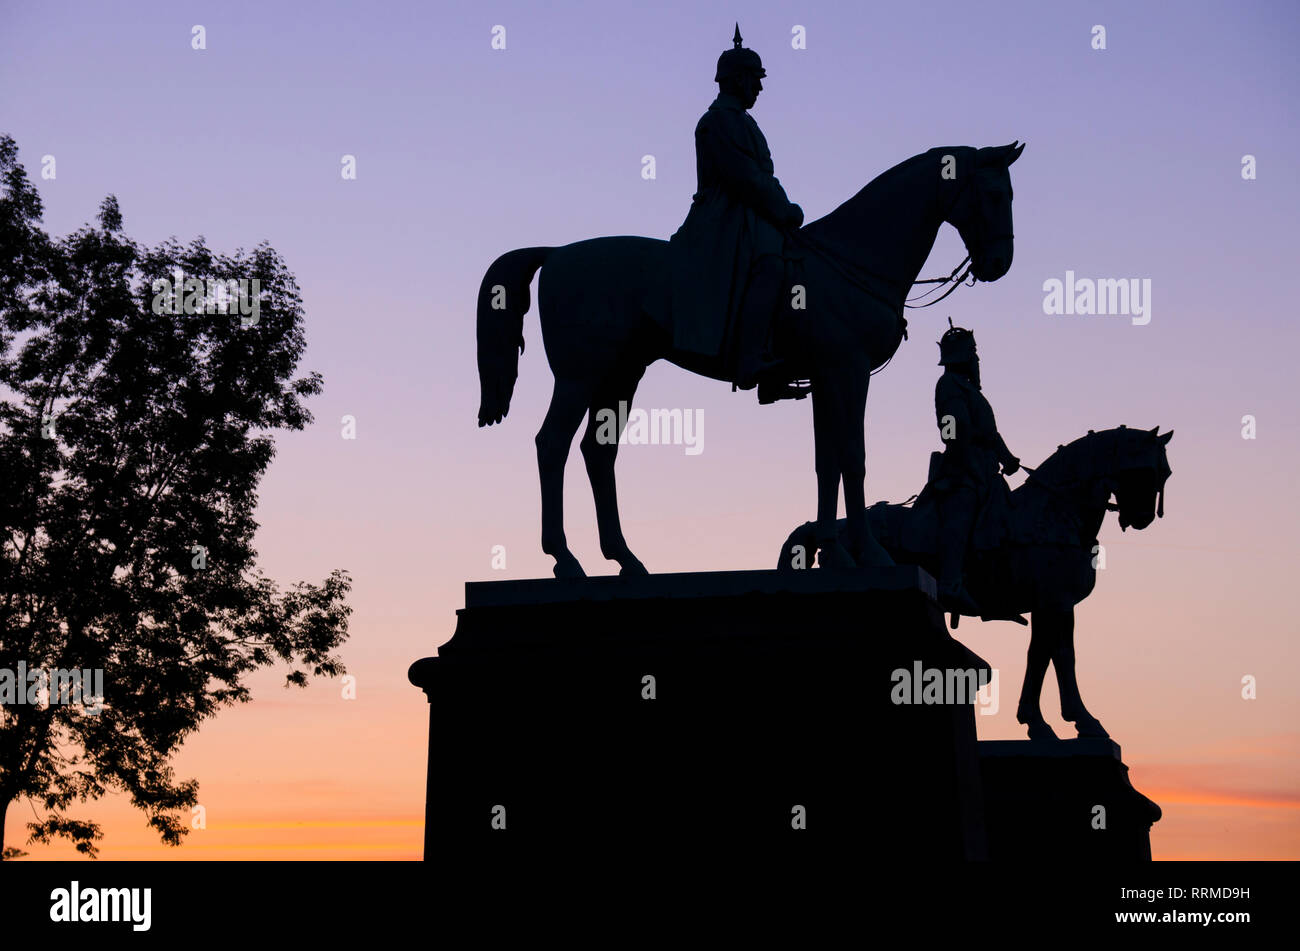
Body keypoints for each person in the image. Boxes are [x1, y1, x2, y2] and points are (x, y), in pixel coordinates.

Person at [668, 24, 803, 392]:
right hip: (724, 216)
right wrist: (785, 209)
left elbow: (760, 176)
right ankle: (750, 360)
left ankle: (774, 354)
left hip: (750, 213)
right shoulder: (719, 122)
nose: (759, 87)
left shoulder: (743, 122)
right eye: (754, 79)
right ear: (737, 80)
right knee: (771, 266)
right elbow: (745, 179)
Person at [932, 321, 1019, 615]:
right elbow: (952, 430)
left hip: (985, 470)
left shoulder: (972, 392)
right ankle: (950, 582)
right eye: (973, 354)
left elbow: (991, 433)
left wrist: (1007, 457)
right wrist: (973, 439)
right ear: (963, 357)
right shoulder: (949, 386)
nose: (977, 360)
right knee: (963, 510)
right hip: (961, 469)